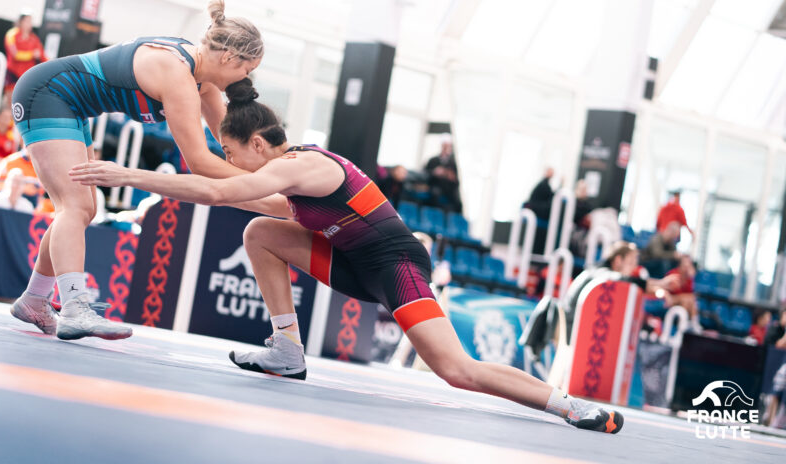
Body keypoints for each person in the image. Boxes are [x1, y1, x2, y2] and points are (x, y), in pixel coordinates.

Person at [69, 81, 623, 434]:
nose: (232, 161)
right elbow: (240, 194)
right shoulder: (288, 178)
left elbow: (217, 191)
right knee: (261, 232)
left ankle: (568, 405)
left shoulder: (303, 165)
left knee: (457, 371)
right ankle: (287, 348)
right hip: (354, 262)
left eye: (235, 152)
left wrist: (128, 175)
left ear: (258, 145)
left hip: (395, 265)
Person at [8, 0, 265, 342]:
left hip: (68, 103)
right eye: (246, 71)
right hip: (47, 94)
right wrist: (267, 184)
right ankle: (73, 308)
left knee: (85, 208)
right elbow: (200, 162)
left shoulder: (200, 77)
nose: (243, 82)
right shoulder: (178, 75)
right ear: (230, 57)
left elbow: (229, 145)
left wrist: (277, 168)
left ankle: (35, 300)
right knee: (76, 207)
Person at [4, 12, 46, 87]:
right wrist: (32, 54)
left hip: (27, 75)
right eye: (27, 21)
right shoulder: (11, 34)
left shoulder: (34, 38)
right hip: (13, 72)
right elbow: (15, 54)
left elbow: (42, 56)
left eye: (30, 21)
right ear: (20, 21)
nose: (29, 24)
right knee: (11, 97)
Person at [424, 135, 461, 213]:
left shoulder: (454, 163)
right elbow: (425, 173)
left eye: (448, 146)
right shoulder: (433, 160)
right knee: (435, 193)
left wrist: (449, 175)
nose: (447, 148)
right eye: (445, 146)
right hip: (435, 185)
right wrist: (434, 172)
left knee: (457, 201)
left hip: (449, 189)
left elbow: (456, 180)